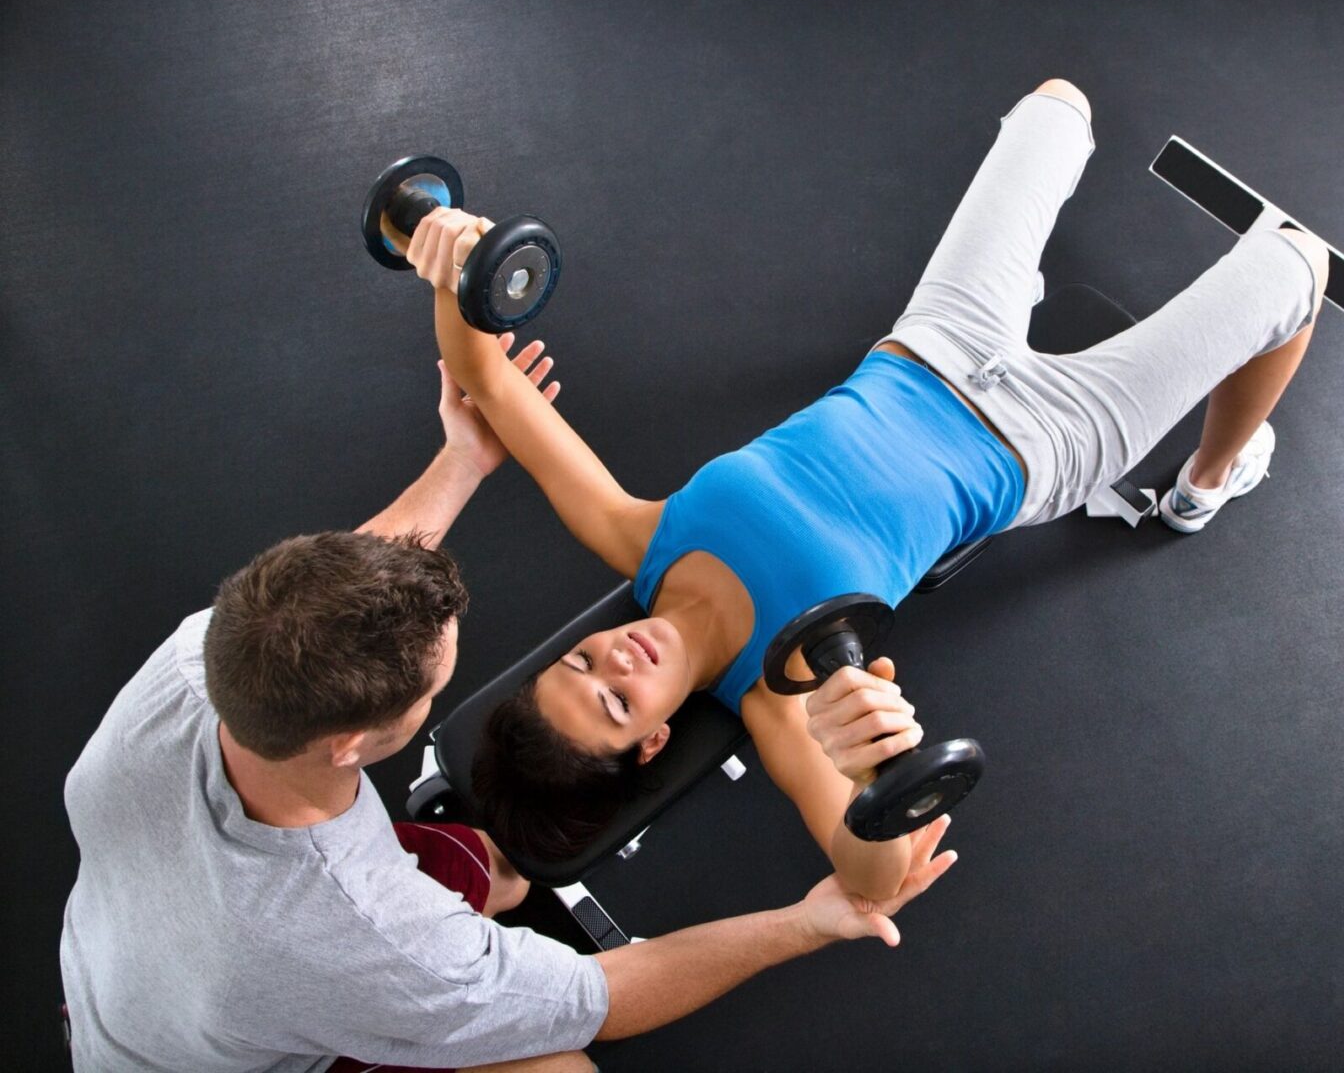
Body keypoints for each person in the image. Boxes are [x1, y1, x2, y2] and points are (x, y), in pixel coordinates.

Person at [415, 79, 1330, 902]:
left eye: (581, 663)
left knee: (1058, 105)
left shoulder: (637, 537)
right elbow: (873, 873)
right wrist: (856, 770)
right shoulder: (783, 699)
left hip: (933, 342)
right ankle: (1203, 486)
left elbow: (491, 382)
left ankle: (1022, 304)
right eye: (618, 705)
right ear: (653, 741)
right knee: (1301, 267)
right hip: (1050, 438)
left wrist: (451, 263)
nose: (616, 662)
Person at [58, 335, 956, 1073]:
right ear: (353, 743)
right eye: (437, 687)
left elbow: (333, 587)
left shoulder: (197, 661)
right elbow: (600, 998)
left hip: (123, 986)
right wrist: (803, 924)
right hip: (210, 1048)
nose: (608, 657)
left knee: (485, 869)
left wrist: (461, 462)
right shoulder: (377, 941)